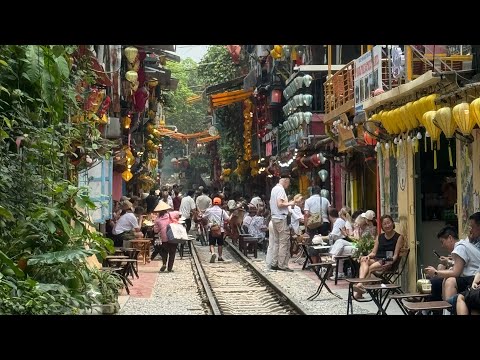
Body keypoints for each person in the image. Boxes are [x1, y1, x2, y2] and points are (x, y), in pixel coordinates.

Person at [424, 225, 480, 302]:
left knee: (441, 282)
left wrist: (436, 273)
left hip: (475, 279)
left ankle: (447, 309)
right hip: (473, 276)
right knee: (441, 277)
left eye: (442, 242)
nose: (442, 246)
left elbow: (456, 273)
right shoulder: (463, 245)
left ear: (450, 238)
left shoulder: (460, 248)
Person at [353, 214, 404, 299]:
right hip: (377, 259)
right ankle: (360, 285)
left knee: (370, 268)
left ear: (392, 223)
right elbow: (373, 252)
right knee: (364, 261)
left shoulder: (398, 237)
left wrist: (391, 261)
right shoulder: (379, 237)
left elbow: (395, 255)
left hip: (387, 261)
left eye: (389, 223)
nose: (387, 225)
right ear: (382, 226)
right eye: (385, 224)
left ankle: (360, 286)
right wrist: (367, 256)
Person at [267, 173, 295, 272]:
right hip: (281, 218)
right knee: (284, 242)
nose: (289, 185)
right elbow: (280, 204)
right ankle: (282, 265)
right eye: (289, 182)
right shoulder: (281, 190)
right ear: (286, 180)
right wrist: (290, 203)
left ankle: (275, 263)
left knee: (277, 242)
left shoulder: (274, 189)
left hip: (274, 217)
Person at [204, 197, 231, 262]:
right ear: (220, 203)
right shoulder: (222, 211)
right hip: (220, 229)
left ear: (213, 203)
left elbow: (203, 217)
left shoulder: (209, 210)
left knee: (211, 244)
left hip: (211, 229)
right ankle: (220, 256)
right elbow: (227, 219)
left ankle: (213, 253)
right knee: (220, 244)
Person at [151, 200, 173, 272]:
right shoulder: (170, 216)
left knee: (165, 251)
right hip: (173, 236)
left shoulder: (157, 220)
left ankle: (164, 263)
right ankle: (170, 268)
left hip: (164, 237)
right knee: (172, 252)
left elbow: (156, 231)